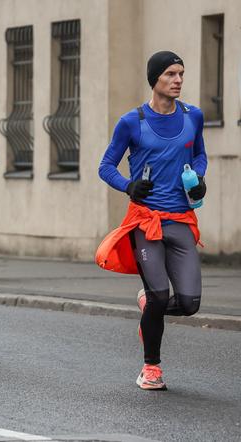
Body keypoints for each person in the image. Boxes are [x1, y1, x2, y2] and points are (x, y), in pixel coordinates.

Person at [97, 51, 207, 390]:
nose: (177, 80)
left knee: (189, 303)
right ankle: (151, 367)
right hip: (145, 221)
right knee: (160, 295)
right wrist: (128, 186)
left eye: (181, 74)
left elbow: (200, 154)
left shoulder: (193, 116)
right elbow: (106, 166)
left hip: (180, 219)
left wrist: (199, 177)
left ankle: (149, 305)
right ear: (155, 79)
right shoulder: (133, 121)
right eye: (171, 74)